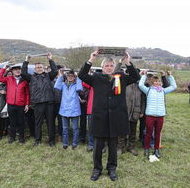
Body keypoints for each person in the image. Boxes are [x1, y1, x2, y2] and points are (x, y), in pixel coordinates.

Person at [78, 50, 139, 181]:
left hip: (115, 118)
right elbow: (82, 75)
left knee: (112, 146)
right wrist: (91, 59)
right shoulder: (95, 78)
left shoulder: (121, 77)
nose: (109, 68)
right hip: (100, 118)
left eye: (111, 65)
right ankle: (97, 169)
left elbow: (135, 77)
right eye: (107, 66)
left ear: (114, 66)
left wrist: (128, 62)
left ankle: (112, 169)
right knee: (98, 146)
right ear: (102, 67)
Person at [138, 70, 177, 159]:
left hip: (160, 116)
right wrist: (144, 75)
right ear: (152, 82)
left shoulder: (163, 91)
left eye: (159, 81)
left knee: (157, 134)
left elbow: (174, 86)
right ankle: (146, 148)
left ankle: (156, 149)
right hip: (150, 115)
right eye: (155, 81)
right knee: (148, 133)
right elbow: (140, 85)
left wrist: (170, 75)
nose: (157, 82)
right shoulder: (148, 90)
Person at [22, 53, 58, 147]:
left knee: (50, 123)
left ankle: (51, 141)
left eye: (41, 67)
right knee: (37, 123)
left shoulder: (48, 76)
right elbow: (23, 73)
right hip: (38, 104)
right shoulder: (31, 77)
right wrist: (26, 61)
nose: (39, 68)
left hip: (49, 103)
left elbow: (55, 71)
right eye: (37, 67)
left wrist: (50, 59)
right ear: (35, 69)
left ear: (43, 68)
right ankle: (38, 140)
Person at [0, 64, 30, 145]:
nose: (17, 71)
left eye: (19, 69)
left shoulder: (24, 80)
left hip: (21, 105)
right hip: (11, 105)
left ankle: (21, 139)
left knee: (21, 122)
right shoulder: (9, 79)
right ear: (12, 71)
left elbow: (27, 94)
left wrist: (27, 104)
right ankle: (12, 138)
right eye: (15, 69)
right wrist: (4, 68)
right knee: (12, 122)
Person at [55, 70, 83, 149]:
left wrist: (78, 77)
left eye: (72, 76)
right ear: (66, 77)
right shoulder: (63, 85)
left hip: (74, 110)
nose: (70, 77)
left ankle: (74, 143)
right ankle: (65, 143)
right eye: (69, 76)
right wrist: (61, 75)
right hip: (64, 110)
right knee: (65, 129)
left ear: (74, 77)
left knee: (75, 129)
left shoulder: (76, 85)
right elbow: (56, 86)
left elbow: (80, 88)